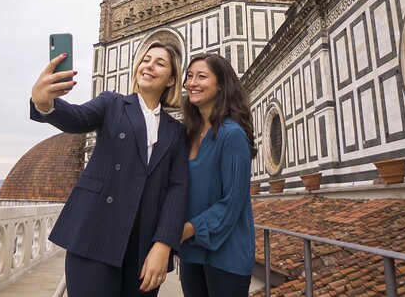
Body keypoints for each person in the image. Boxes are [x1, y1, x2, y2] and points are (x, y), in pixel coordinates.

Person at [30, 41, 189, 297]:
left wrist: (164, 245)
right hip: (96, 231)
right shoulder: (112, 103)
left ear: (171, 80)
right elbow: (78, 118)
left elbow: (178, 189)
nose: (149, 65)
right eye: (146, 59)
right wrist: (45, 105)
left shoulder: (176, 131)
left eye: (159, 63)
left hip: (144, 247)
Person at [179, 53, 256, 297]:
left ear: (221, 84)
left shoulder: (232, 134)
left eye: (202, 76)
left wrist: (186, 229)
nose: (192, 83)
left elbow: (232, 203)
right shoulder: (189, 133)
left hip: (227, 253)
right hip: (192, 251)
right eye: (189, 76)